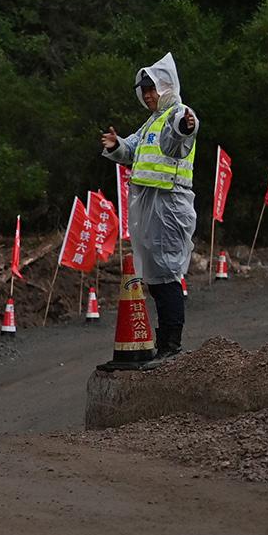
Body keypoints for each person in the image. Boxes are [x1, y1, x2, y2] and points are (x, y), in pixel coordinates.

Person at [100, 53, 199, 361]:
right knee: (156, 276)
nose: (147, 96)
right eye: (144, 91)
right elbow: (132, 148)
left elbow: (179, 136)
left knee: (167, 274)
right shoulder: (151, 122)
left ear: (167, 87)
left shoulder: (177, 113)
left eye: (152, 89)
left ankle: (171, 345)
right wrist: (117, 145)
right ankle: (165, 343)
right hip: (151, 204)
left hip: (169, 203)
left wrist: (185, 127)